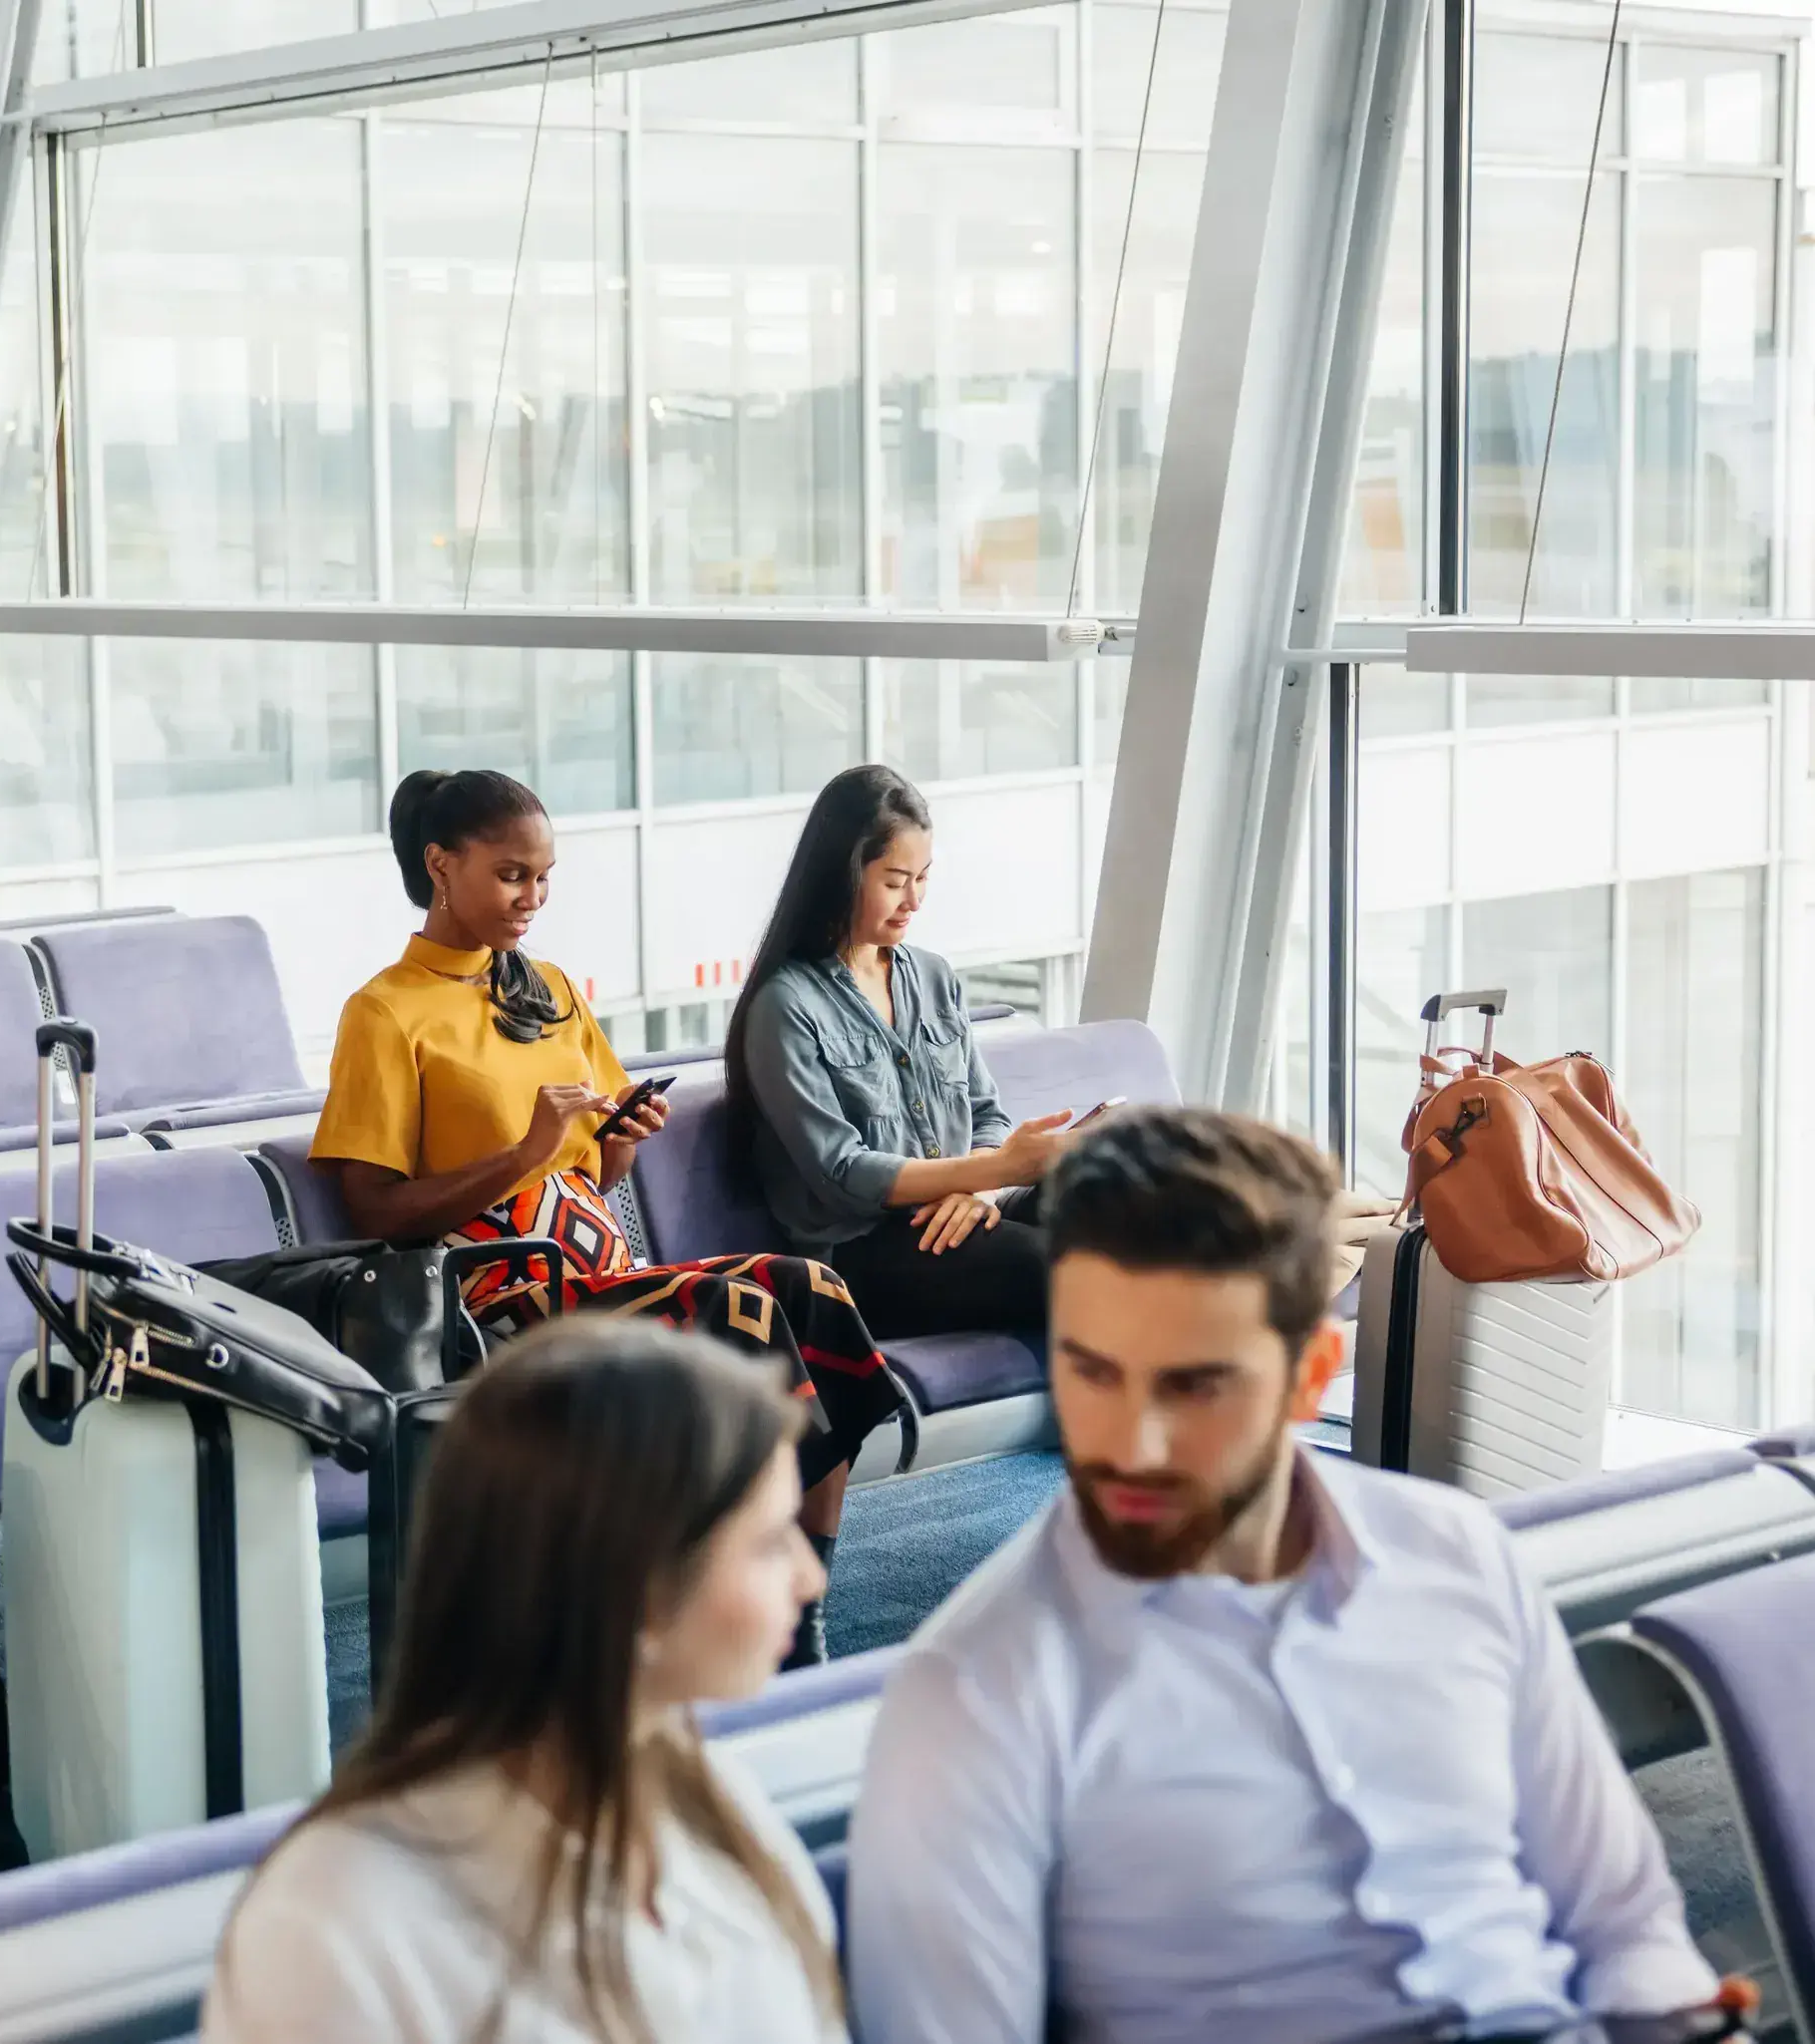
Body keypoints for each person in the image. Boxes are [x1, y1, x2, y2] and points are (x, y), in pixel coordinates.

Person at [846, 1107, 1749, 2044]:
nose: (1132, 1444)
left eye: (1195, 1386)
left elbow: (1623, 1920)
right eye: (1093, 1373)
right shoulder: (974, 1692)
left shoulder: (1459, 1561)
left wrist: (1676, 2017)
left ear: (1311, 1377)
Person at [310, 768, 896, 1662]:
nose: (533, 897)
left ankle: (800, 1597)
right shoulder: (385, 1014)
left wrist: (624, 1135)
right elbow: (374, 1209)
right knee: (752, 1311)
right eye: (512, 875)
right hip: (501, 1302)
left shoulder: (547, 988)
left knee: (808, 1288)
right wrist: (524, 1153)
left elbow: (599, 1162)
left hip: (600, 1272)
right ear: (440, 866)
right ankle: (738, 1596)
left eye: (544, 878)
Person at [203, 1318, 846, 2044]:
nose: (809, 1574)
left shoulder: (716, 1804)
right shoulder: (337, 1927)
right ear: (637, 1588)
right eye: (769, 1542)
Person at [725, 765, 1077, 1339]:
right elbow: (841, 1171)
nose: (913, 899)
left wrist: (979, 1187)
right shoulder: (785, 1004)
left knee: (1118, 1212)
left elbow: (986, 1114)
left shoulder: (935, 978)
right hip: (863, 1257)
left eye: (923, 877)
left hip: (958, 1211)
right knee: (1072, 1274)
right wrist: (997, 1168)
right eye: (894, 880)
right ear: (841, 875)